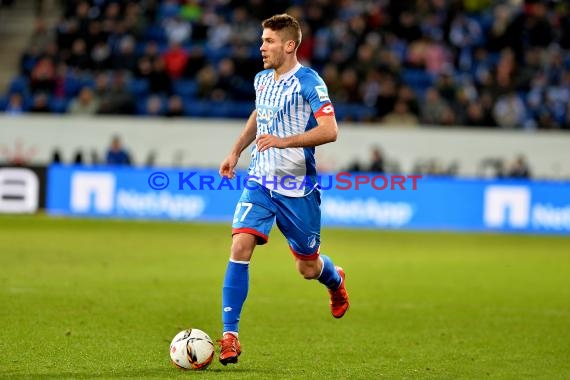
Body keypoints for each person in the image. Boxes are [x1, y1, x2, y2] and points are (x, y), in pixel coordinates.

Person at [217, 14, 349, 366]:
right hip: (260, 183)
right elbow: (259, 116)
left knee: (307, 268)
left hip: (298, 189)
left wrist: (283, 142)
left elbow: (330, 130)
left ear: (289, 45)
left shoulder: (309, 82)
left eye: (269, 41)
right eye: (262, 40)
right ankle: (230, 335)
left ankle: (335, 281)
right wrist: (235, 151)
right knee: (240, 244)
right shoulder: (262, 80)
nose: (262, 47)